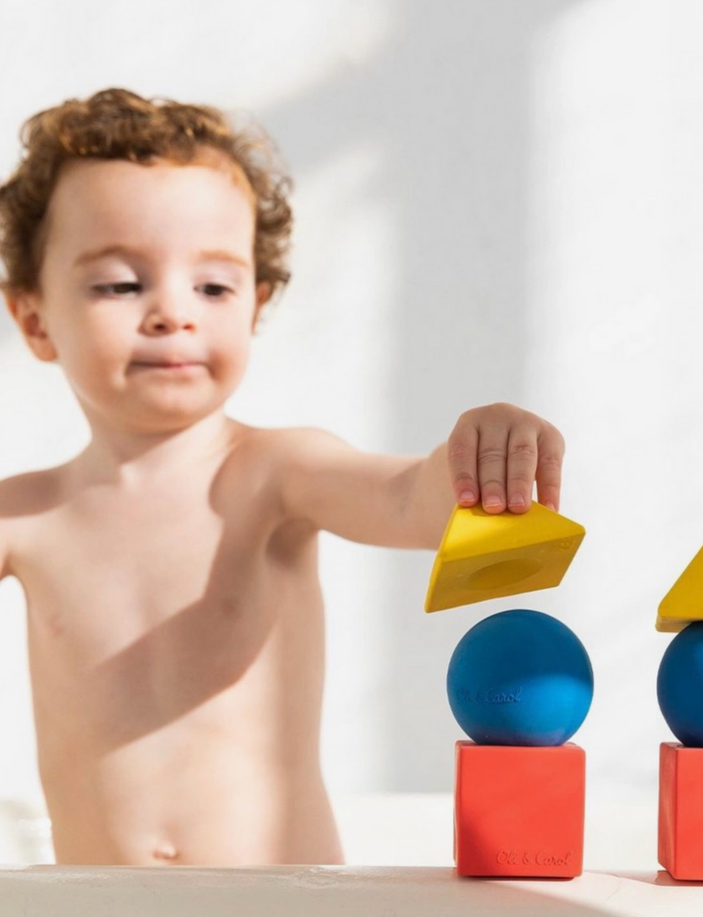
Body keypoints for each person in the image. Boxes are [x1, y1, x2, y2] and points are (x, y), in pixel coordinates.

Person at [0, 88, 565, 866]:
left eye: (214, 286)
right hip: (100, 903)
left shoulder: (273, 472)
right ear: (34, 319)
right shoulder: (23, 517)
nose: (173, 312)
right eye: (120, 284)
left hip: (283, 898)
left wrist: (472, 457)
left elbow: (403, 499)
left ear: (256, 304)